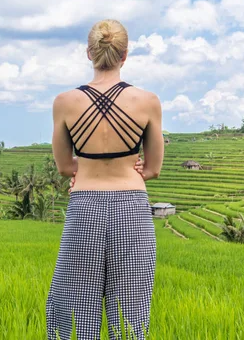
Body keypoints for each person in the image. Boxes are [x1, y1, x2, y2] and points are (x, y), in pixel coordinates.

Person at [45, 19, 164, 340]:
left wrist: (80, 170)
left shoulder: (64, 103)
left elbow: (63, 167)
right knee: (130, 312)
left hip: (84, 206)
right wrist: (138, 168)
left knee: (72, 308)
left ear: (89, 53)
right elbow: (154, 168)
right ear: (125, 55)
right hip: (132, 208)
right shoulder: (148, 102)